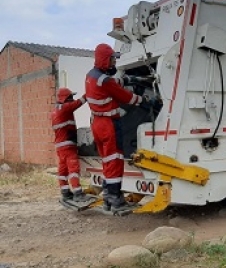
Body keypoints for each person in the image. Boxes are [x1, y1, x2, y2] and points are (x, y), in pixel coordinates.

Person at [85, 43, 151, 213]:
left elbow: (113, 83)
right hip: (109, 125)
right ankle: (116, 200)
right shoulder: (105, 80)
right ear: (105, 59)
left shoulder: (92, 76)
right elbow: (125, 97)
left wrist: (130, 79)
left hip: (97, 124)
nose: (114, 62)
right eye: (112, 59)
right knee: (115, 162)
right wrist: (144, 100)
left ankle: (108, 197)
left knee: (107, 161)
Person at [51, 87, 95, 206]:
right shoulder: (65, 108)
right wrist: (90, 93)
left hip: (60, 146)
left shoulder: (56, 110)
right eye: (71, 97)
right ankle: (78, 194)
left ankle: (65, 192)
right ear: (66, 98)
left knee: (63, 170)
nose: (72, 99)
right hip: (67, 146)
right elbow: (78, 103)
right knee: (73, 169)